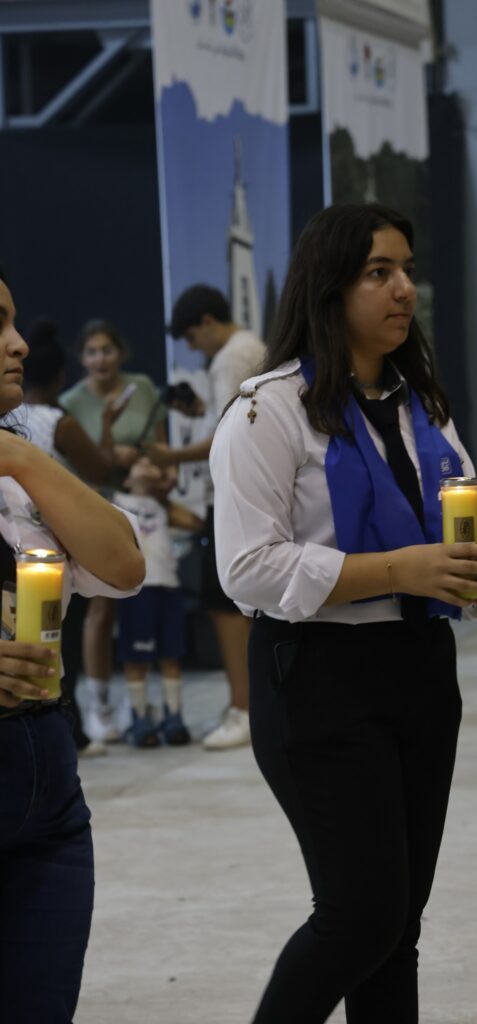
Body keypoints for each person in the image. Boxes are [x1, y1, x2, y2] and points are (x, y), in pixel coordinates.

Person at [210, 203, 477, 1024]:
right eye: (378, 273)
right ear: (329, 287)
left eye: (407, 270)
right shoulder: (267, 410)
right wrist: (399, 569)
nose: (403, 289)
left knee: (397, 926)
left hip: (420, 670)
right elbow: (246, 568)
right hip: (318, 677)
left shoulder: (422, 406)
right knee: (360, 915)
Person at [0, 270, 146, 1022]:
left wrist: (22, 459)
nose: (19, 344)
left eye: (13, 321)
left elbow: (123, 565)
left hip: (47, 789)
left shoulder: (20, 467)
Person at [146, 285, 266, 750]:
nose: (196, 349)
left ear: (208, 322)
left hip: (235, 495)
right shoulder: (251, 346)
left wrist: (171, 455)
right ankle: (252, 704)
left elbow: (228, 434)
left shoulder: (230, 357)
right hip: (252, 493)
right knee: (245, 603)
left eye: (194, 339)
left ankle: (244, 710)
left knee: (225, 605)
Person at [20, 318, 130, 757]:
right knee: (62, 637)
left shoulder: (11, 420)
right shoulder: (57, 422)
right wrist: (106, 423)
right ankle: (74, 729)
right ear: (61, 375)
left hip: (16, 547)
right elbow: (101, 468)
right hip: (55, 544)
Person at [60, 318, 167, 743]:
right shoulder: (70, 402)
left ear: (121, 352)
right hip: (97, 506)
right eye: (92, 351)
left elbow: (160, 443)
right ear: (81, 358)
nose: (100, 358)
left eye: (107, 349)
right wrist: (109, 455)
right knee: (101, 608)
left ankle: (148, 704)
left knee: (154, 602)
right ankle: (99, 704)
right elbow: (70, 466)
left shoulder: (142, 387)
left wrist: (146, 461)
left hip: (145, 505)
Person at [113, 456, 203, 748]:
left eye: (152, 463)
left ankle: (174, 717)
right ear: (126, 478)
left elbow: (195, 523)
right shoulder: (118, 502)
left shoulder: (162, 505)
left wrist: (164, 494)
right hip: (138, 589)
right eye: (139, 463)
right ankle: (140, 718)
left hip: (169, 585)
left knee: (171, 655)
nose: (148, 465)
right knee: (136, 657)